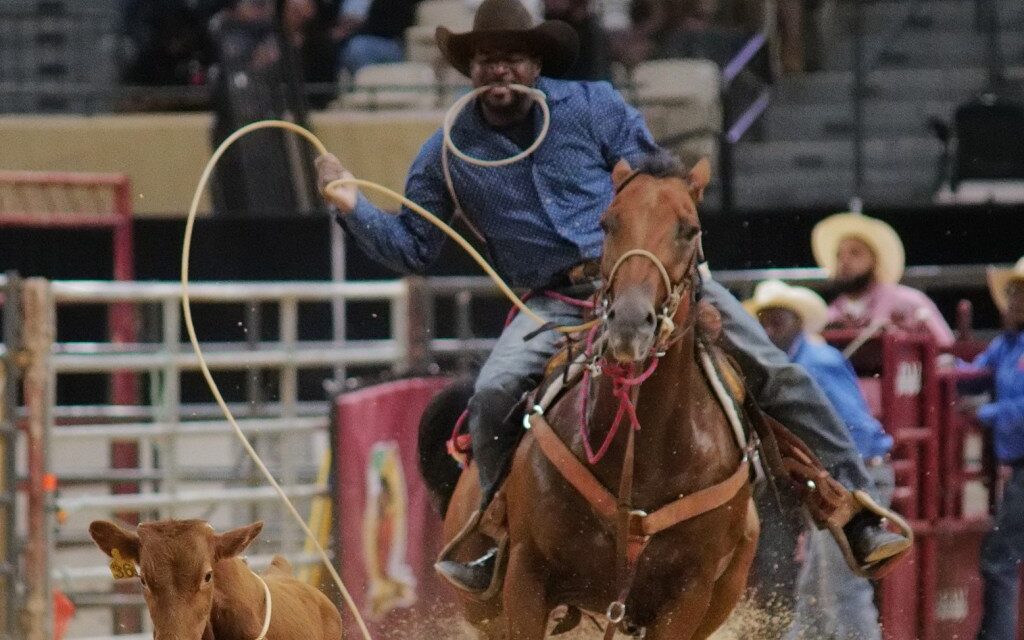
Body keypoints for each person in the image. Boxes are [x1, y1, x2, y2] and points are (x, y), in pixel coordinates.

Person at [314, 0, 908, 594]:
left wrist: (677, 264)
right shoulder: (448, 150)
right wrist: (353, 207)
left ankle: (855, 512)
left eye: (513, 59)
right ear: (470, 69)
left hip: (648, 279)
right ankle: (495, 539)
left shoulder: (592, 106)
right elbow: (413, 247)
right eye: (487, 61)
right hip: (550, 301)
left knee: (779, 375)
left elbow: (658, 175)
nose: (500, 72)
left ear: (535, 64)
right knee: (494, 393)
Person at [745, 280, 894, 640]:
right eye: (763, 322)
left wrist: (839, 480)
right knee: (817, 592)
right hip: (832, 483)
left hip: (852, 482)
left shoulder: (817, 363)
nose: (767, 330)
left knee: (841, 592)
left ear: (797, 322)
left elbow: (852, 431)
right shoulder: (793, 366)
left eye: (776, 321)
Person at [965, 257, 1024, 640]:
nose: (1013, 302)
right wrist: (947, 364)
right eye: (1013, 293)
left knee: (1001, 557)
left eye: (1020, 295)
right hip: (1019, 466)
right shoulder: (1007, 345)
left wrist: (984, 411)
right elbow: (973, 375)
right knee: (1001, 554)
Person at [812, 211, 956, 348]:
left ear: (875, 261)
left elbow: (946, 351)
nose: (844, 261)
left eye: (855, 253)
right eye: (839, 255)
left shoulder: (909, 303)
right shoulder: (828, 317)